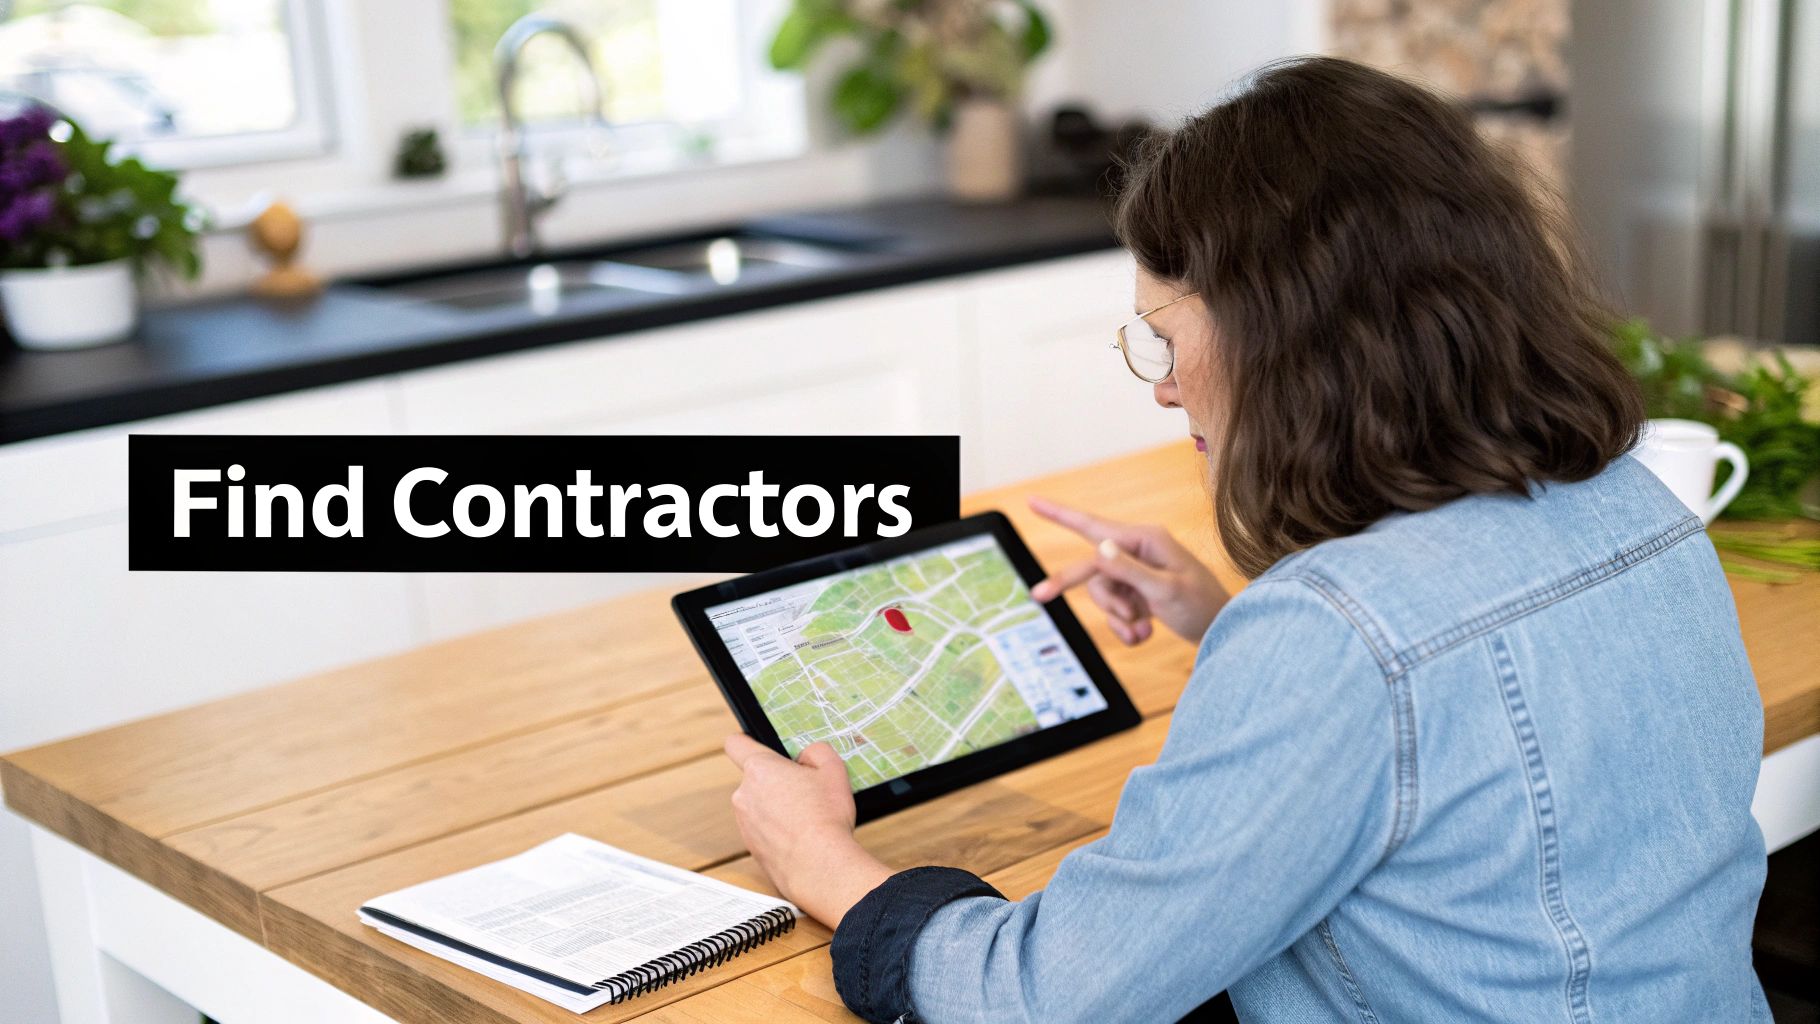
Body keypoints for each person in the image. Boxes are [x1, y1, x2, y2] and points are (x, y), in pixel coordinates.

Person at [720, 56, 1770, 1022]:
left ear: (1283, 336)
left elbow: (1043, 995)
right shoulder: (1637, 508)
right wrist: (1229, 626)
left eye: (1167, 337)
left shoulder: (1337, 643)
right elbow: (1465, 734)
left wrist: (825, 863)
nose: (1166, 385)